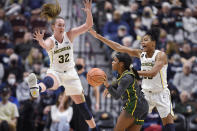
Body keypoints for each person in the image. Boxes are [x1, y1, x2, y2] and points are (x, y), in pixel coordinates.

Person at [27, 0, 98, 130]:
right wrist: (42, 42)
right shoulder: (51, 41)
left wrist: (88, 12)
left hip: (71, 73)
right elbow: (46, 45)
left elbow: (88, 25)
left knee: (82, 105)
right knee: (50, 82)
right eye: (59, 25)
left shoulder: (69, 35)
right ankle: (36, 88)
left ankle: (94, 128)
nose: (62, 27)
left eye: (63, 25)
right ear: (53, 27)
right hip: (56, 72)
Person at [89, 27, 175, 131]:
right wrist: (98, 36)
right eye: (142, 40)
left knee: (169, 126)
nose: (142, 42)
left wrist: (131, 73)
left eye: (146, 40)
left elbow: (153, 73)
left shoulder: (161, 55)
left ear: (153, 43)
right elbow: (118, 47)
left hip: (161, 93)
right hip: (145, 95)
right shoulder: (140, 54)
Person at [102, 52, 148, 131]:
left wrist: (107, 85)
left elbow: (116, 96)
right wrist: (111, 86)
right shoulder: (125, 74)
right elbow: (118, 83)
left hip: (134, 105)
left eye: (115, 61)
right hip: (143, 107)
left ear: (121, 64)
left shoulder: (126, 77)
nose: (112, 62)